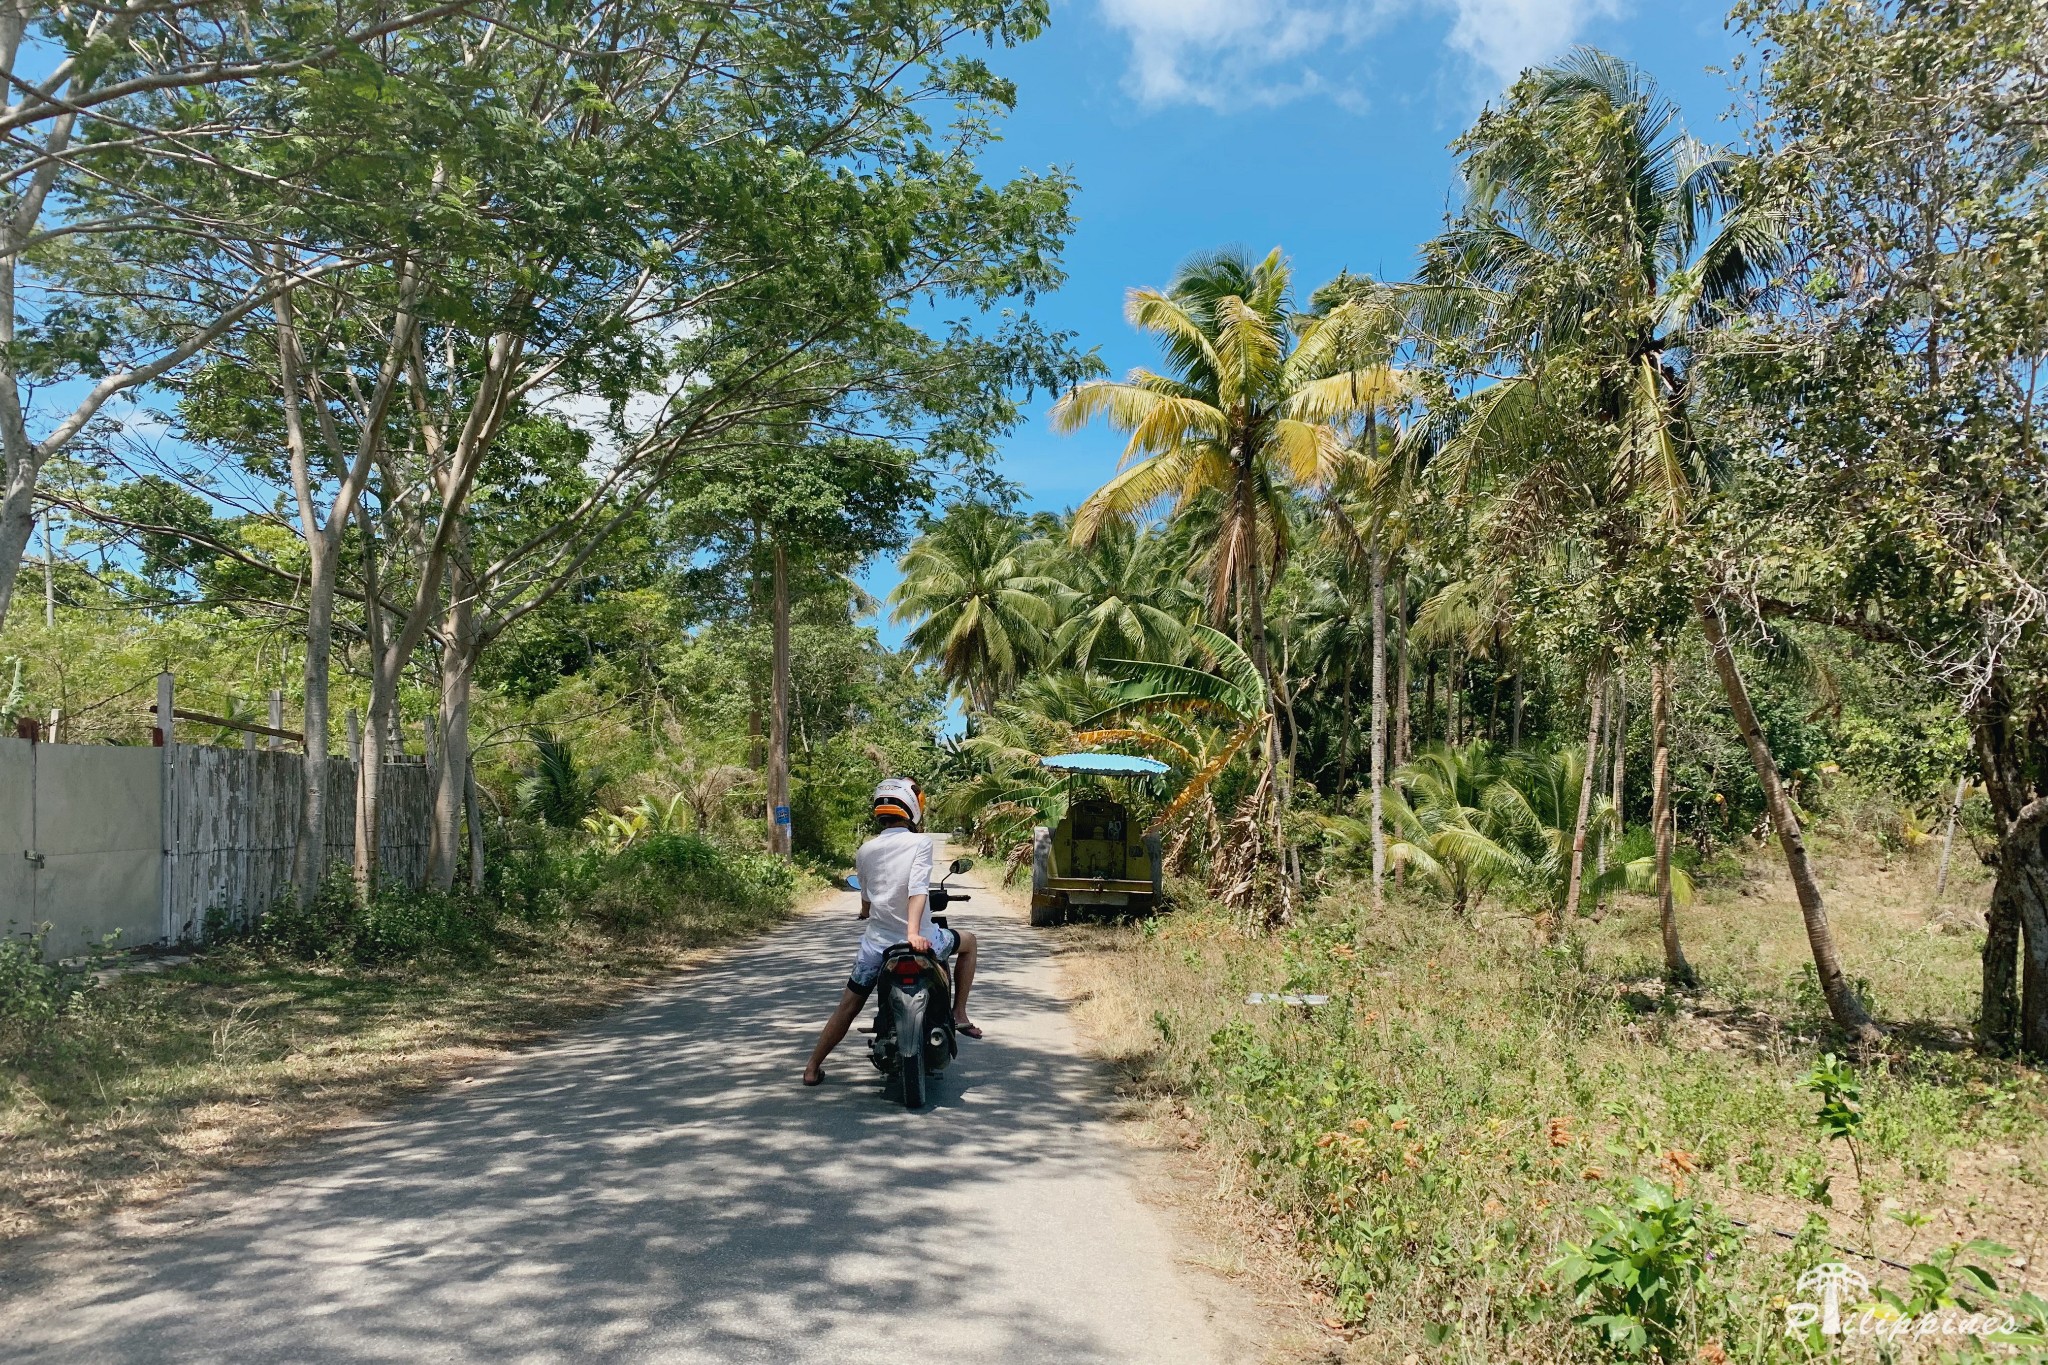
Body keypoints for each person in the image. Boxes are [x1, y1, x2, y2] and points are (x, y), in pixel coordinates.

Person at [802, 777, 979, 1086]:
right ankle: (960, 1013)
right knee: (970, 942)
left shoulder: (865, 849)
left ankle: (812, 1066)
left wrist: (865, 913)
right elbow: (917, 889)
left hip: (876, 948)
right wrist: (913, 932)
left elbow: (867, 900)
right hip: (924, 940)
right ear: (912, 810)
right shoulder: (921, 843)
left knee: (848, 1007)